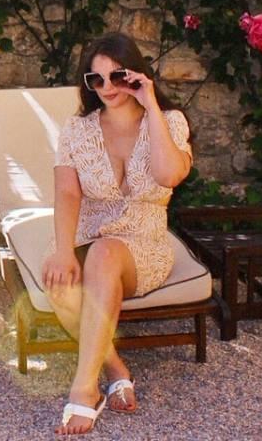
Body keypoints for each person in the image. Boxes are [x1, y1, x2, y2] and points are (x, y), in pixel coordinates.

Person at [41, 31, 193, 435]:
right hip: (91, 234)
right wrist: (61, 251)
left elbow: (169, 174)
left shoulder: (169, 121)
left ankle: (84, 388)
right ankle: (115, 368)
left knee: (106, 253)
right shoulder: (77, 130)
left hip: (144, 243)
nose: (108, 87)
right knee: (60, 278)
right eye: (96, 79)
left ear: (137, 74)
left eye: (117, 75)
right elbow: (68, 192)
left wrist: (151, 106)